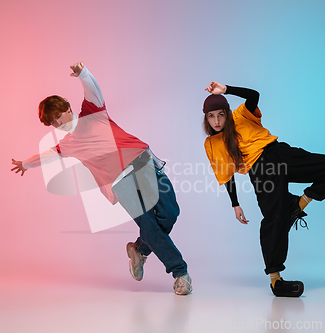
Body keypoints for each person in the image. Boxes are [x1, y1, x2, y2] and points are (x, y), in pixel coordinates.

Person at [11, 62, 192, 295]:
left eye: (58, 116)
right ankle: (180, 273)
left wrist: (83, 75)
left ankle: (140, 249)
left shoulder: (93, 113)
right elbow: (47, 156)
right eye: (52, 123)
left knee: (170, 215)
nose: (58, 123)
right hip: (122, 183)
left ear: (67, 107)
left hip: (144, 163)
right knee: (150, 226)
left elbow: (92, 90)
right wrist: (26, 163)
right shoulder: (68, 144)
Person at [202, 81, 325, 297]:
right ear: (206, 118)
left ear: (227, 113)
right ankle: (276, 281)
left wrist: (226, 90)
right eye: (211, 116)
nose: (216, 120)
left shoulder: (241, 116)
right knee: (274, 219)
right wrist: (235, 204)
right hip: (260, 172)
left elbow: (254, 95)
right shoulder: (212, 144)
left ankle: (298, 205)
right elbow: (227, 177)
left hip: (280, 154)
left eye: (220, 115)